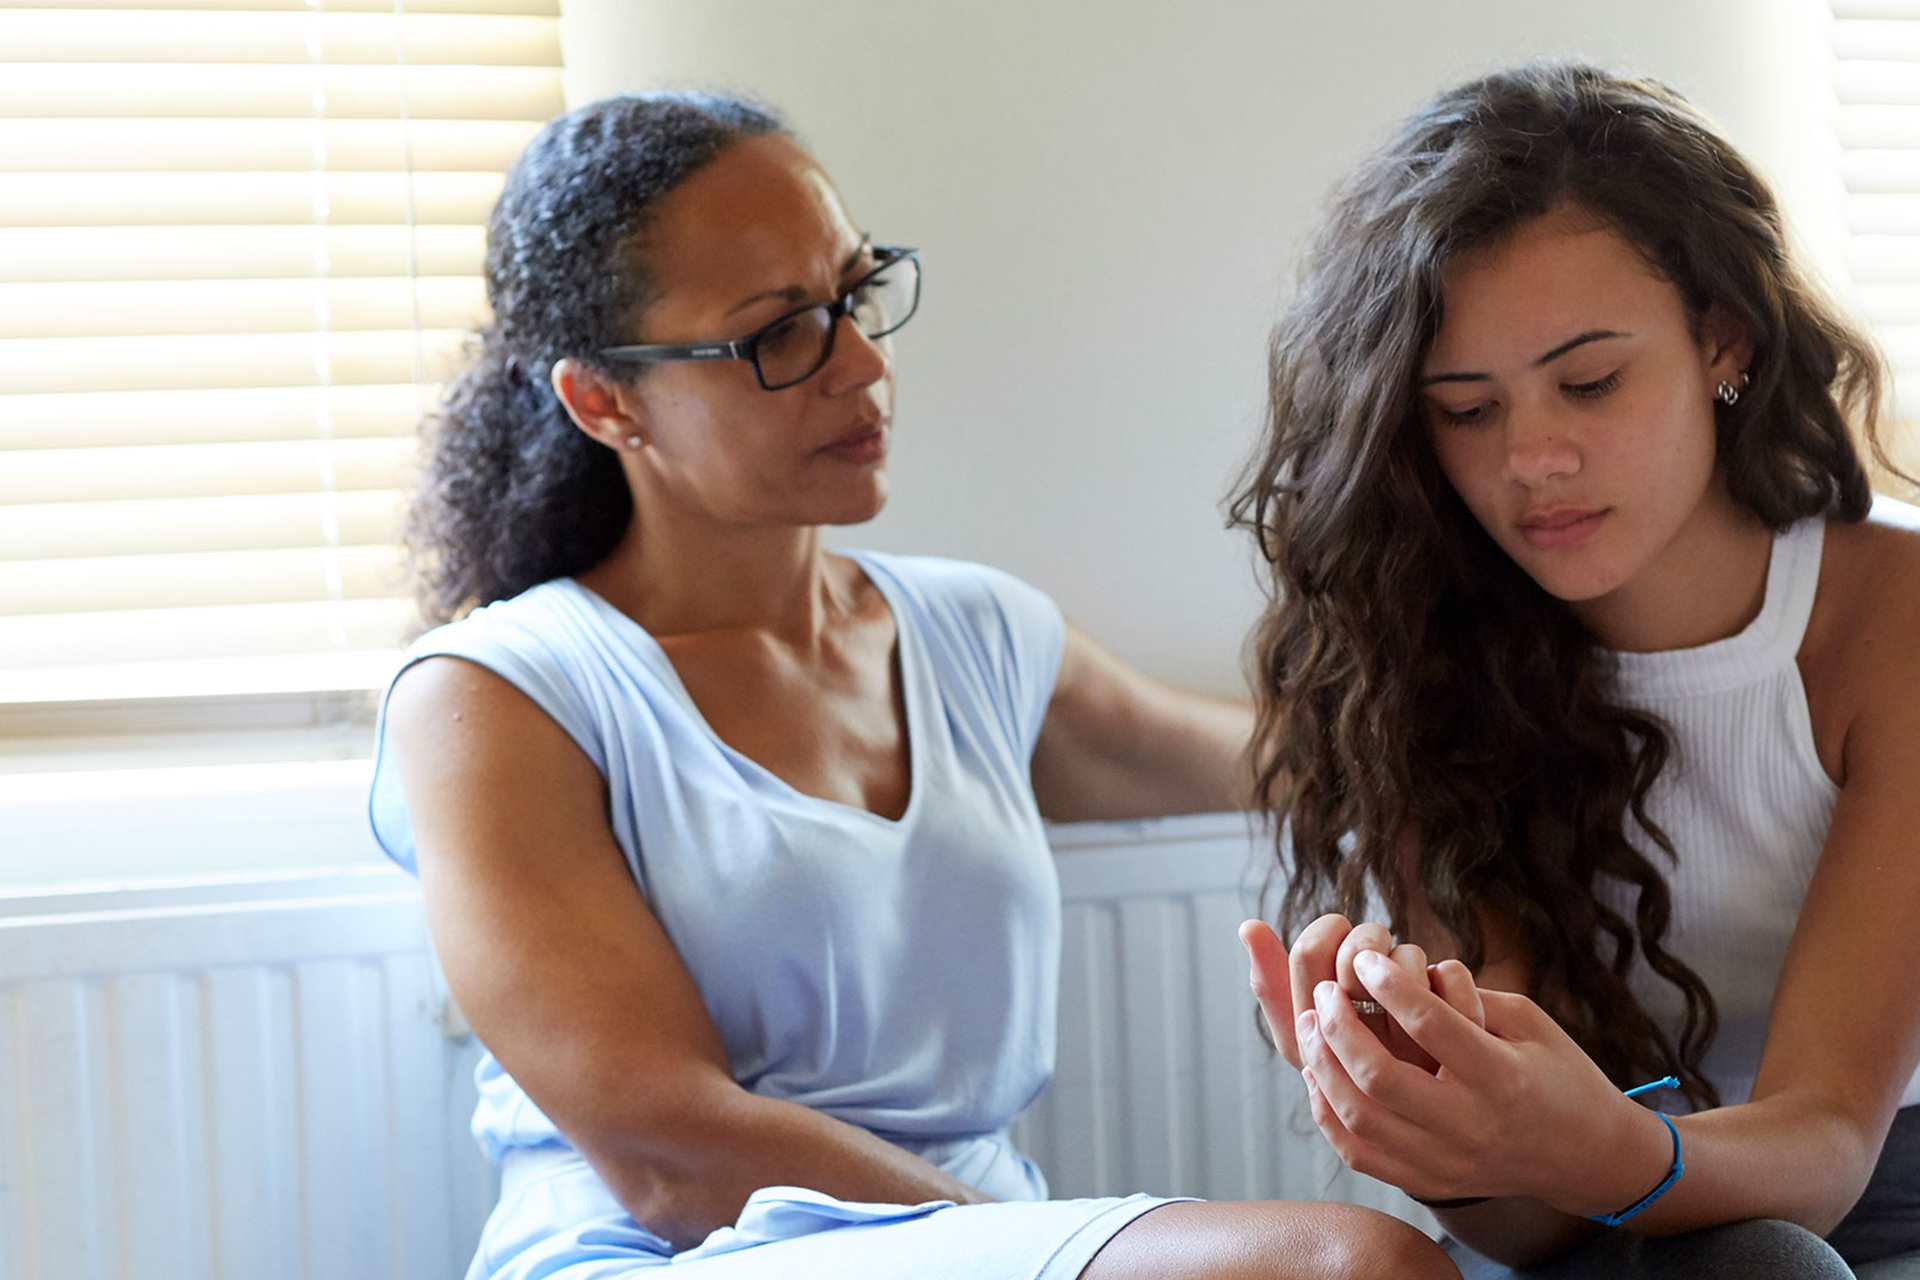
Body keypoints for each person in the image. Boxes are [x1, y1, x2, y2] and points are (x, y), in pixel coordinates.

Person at [367, 91, 1457, 1280]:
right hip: (662, 1251)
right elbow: (665, 1150)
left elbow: (1293, 761)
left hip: (987, 1243)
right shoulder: (499, 695)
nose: (863, 362)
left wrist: (1586, 699)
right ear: (604, 399)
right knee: (1351, 1265)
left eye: (854, 291)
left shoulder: (972, 635)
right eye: (777, 333)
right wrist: (1026, 1239)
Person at [1230, 61, 1920, 1279]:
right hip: (1616, 1219)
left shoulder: (1893, 614)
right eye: (1465, 408)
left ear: (1726, 342)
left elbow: (1827, 1135)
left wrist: (1595, 1141)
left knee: (1770, 1261)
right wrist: (1437, 1126)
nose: (1534, 458)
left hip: (1880, 1187)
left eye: (1590, 382)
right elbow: (1537, 1227)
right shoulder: (1416, 654)